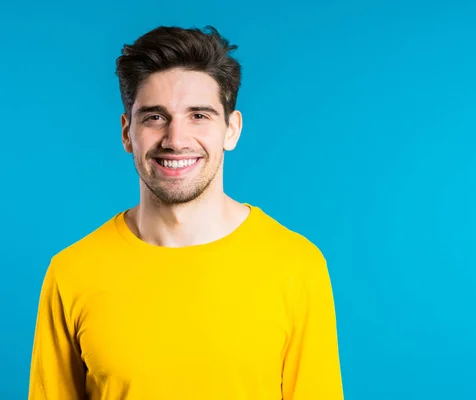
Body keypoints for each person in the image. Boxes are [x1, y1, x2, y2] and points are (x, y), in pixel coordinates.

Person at [27, 25, 344, 399]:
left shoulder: (296, 265)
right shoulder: (71, 272)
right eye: (155, 117)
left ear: (231, 129)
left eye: (199, 116)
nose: (176, 140)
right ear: (128, 132)